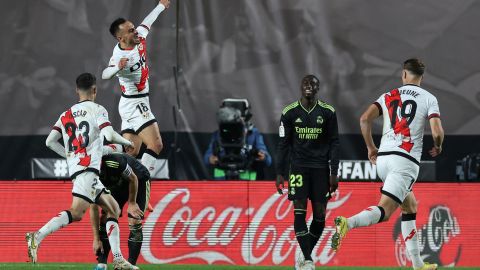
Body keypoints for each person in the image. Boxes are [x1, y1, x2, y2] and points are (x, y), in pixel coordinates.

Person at [331, 58, 444, 270]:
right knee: (385, 212)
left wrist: (370, 148)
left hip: (383, 159)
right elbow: (437, 131)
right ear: (422, 77)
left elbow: (365, 119)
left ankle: (418, 265)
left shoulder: (388, 95)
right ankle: (348, 223)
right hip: (405, 161)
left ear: (403, 74)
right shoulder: (429, 98)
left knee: (410, 205)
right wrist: (438, 146)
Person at [26, 73, 140, 270]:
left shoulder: (66, 114)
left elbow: (49, 142)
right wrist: (126, 142)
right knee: (77, 212)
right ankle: (37, 236)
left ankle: (119, 259)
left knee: (113, 208)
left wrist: (70, 156)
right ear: (95, 90)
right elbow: (108, 134)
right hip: (87, 170)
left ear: (76, 90)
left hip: (83, 169)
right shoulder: (98, 110)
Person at [275, 75, 339, 270]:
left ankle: (302, 255)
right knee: (299, 212)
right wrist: (279, 172)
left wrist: (334, 171)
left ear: (318, 88)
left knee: (320, 216)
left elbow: (334, 142)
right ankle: (308, 260)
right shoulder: (289, 112)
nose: (309, 86)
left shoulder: (328, 112)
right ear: (300, 87)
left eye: (313, 84)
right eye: (306, 83)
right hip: (299, 168)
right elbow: (283, 144)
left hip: (321, 169)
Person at [102, 0, 170, 176]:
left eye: (133, 28)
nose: (136, 31)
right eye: (131, 30)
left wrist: (161, 6)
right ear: (121, 38)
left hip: (130, 103)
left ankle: (105, 155)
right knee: (156, 145)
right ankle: (142, 186)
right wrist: (117, 67)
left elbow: (147, 21)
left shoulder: (139, 36)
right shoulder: (119, 56)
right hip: (135, 104)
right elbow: (105, 74)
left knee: (131, 152)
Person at [91, 150, 150, 270]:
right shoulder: (87, 175)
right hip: (116, 184)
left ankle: (130, 264)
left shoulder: (115, 162)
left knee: (135, 220)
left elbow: (133, 179)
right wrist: (96, 239)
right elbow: (93, 208)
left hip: (138, 179)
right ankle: (102, 264)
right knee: (106, 215)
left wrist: (132, 203)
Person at [203, 99, 272, 180]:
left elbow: (268, 161)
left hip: (246, 183)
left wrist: (263, 157)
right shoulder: (218, 135)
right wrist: (210, 159)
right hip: (222, 182)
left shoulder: (254, 134)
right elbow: (206, 158)